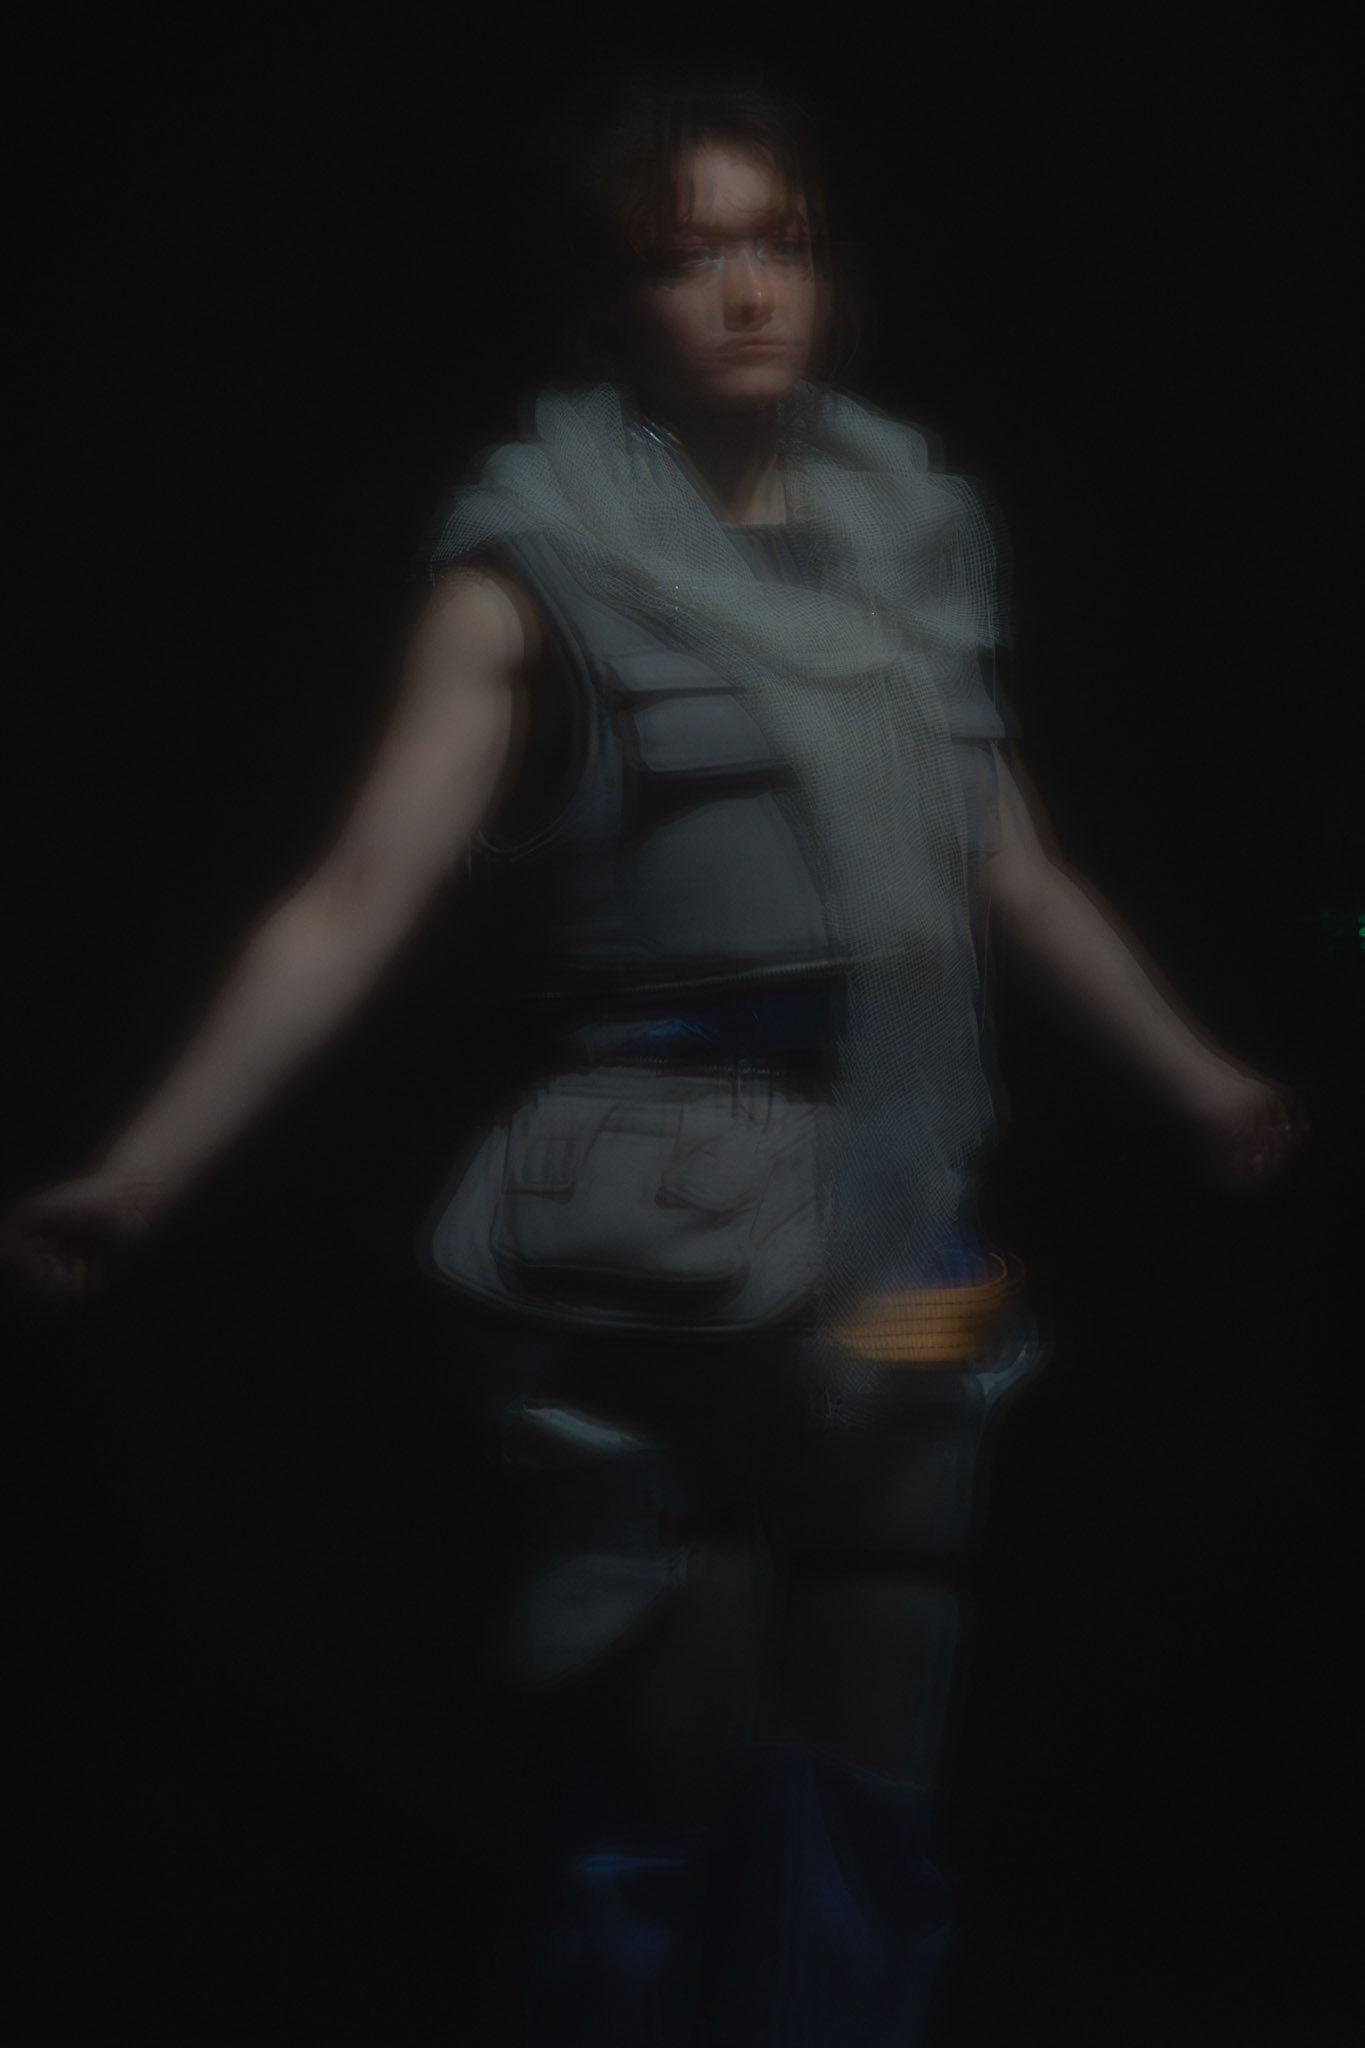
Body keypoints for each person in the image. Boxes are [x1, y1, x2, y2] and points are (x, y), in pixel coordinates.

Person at [3, 72, 1301, 2048]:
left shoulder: (906, 549)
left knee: (871, 1693)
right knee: (666, 1735)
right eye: (689, 256)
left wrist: (1199, 1076)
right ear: (614, 305)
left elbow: (1015, 872)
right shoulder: (531, 563)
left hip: (897, 1198)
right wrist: (145, 1167)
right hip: (662, 1198)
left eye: (776, 242)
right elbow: (353, 895)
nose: (746, 288)